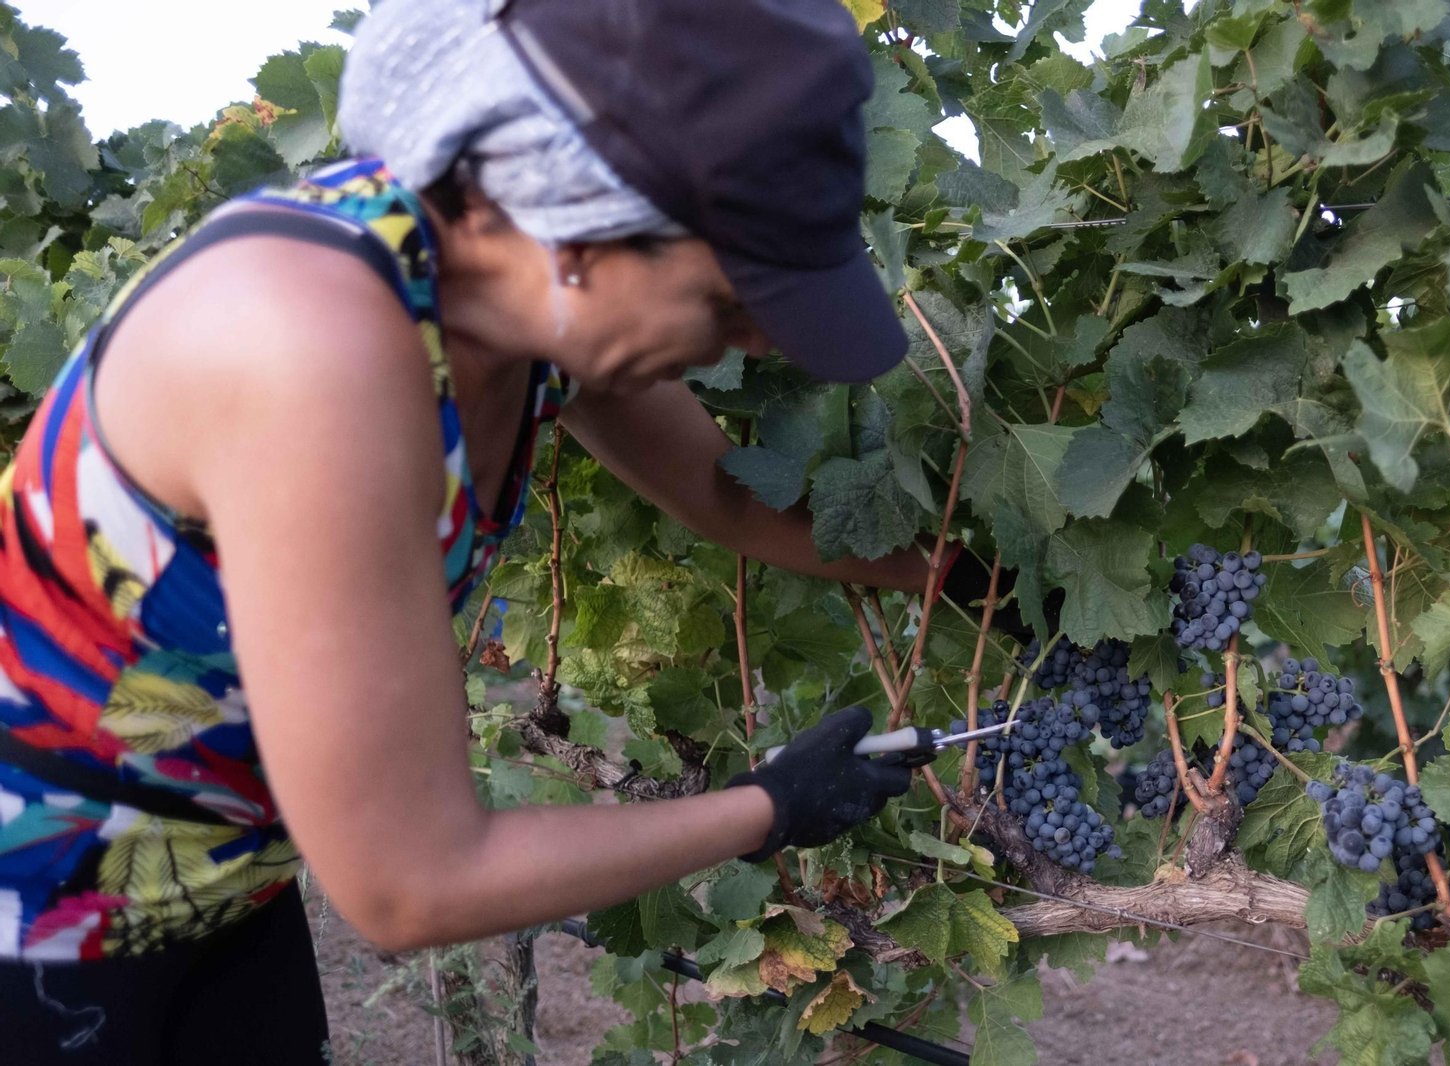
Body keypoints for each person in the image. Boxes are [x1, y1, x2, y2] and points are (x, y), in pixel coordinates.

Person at [0, 0, 961, 1060]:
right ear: (585, 219)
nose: (757, 345)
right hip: (32, 913)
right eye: (733, 302)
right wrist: (766, 806)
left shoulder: (520, 312)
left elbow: (725, 493)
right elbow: (411, 883)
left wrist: (953, 572)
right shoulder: (308, 346)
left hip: (211, 882)